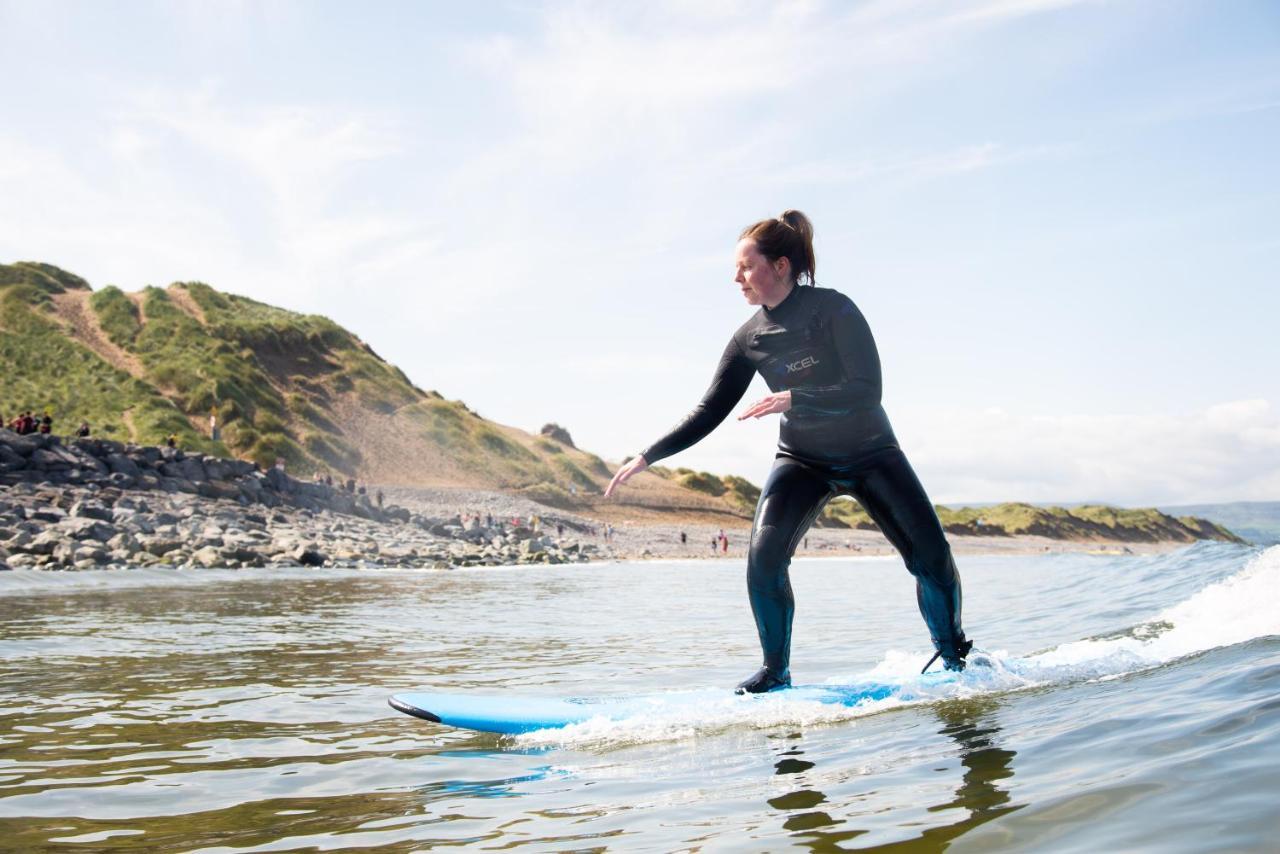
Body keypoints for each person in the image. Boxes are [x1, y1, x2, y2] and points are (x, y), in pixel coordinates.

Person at [605, 210, 973, 694]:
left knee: (932, 560)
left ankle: (952, 654)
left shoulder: (834, 309)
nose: (736, 277)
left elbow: (867, 390)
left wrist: (798, 398)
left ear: (780, 265)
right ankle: (775, 672)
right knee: (763, 560)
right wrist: (648, 455)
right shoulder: (748, 338)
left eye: (745, 266)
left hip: (871, 453)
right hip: (802, 461)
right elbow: (710, 409)